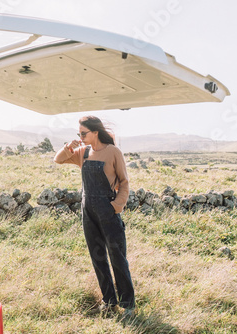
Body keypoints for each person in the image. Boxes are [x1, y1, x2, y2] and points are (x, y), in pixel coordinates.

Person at [54, 116, 135, 317]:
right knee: (98, 258)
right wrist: (68, 146)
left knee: (117, 257)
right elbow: (58, 159)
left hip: (108, 210)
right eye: (78, 134)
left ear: (95, 132)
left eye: (83, 134)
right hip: (88, 211)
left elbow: (124, 182)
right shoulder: (83, 152)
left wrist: (117, 206)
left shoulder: (113, 152)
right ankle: (109, 301)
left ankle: (128, 305)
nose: (80, 137)